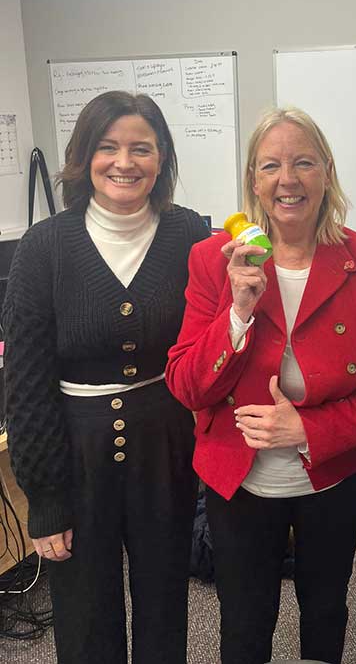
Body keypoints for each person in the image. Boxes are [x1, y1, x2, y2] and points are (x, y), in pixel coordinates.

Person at [166, 107, 356, 664]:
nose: (287, 179)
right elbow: (187, 386)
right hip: (236, 476)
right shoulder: (211, 259)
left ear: (326, 173)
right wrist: (238, 309)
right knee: (244, 618)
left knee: (324, 606)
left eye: (303, 163)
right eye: (271, 165)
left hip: (334, 473)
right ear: (253, 181)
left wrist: (306, 427)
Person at [2, 91, 210, 664]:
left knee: (165, 597)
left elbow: (213, 339)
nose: (125, 162)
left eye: (141, 148)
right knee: (85, 610)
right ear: (84, 157)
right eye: (108, 147)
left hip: (164, 444)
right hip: (75, 449)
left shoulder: (188, 234)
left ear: (162, 158)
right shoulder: (45, 247)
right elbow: (26, 381)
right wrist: (44, 499)